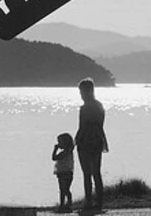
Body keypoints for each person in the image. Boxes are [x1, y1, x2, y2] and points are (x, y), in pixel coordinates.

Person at [74, 77, 108, 211]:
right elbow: (100, 124)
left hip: (86, 142)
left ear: (87, 91)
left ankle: (88, 201)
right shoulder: (100, 106)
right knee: (96, 173)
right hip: (98, 140)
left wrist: (75, 141)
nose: (81, 95)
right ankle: (99, 202)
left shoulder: (84, 108)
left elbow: (82, 127)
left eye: (82, 92)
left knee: (87, 174)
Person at [52, 132, 75, 212]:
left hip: (65, 172)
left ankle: (65, 204)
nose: (59, 144)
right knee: (65, 189)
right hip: (64, 172)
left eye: (60, 142)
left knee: (64, 189)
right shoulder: (68, 151)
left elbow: (54, 158)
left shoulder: (66, 152)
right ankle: (66, 204)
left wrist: (55, 149)